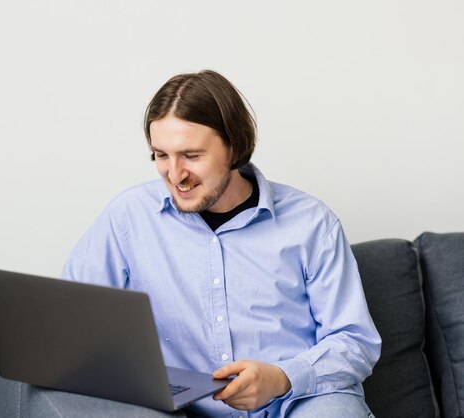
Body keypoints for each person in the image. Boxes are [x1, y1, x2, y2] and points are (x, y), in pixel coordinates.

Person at [60, 70, 381, 417]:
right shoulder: (129, 217)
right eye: (161, 155)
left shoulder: (312, 223)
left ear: (234, 147)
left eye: (192, 155)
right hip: (186, 410)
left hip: (298, 402)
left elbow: (354, 341)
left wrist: (281, 377)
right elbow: (70, 320)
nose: (175, 174)